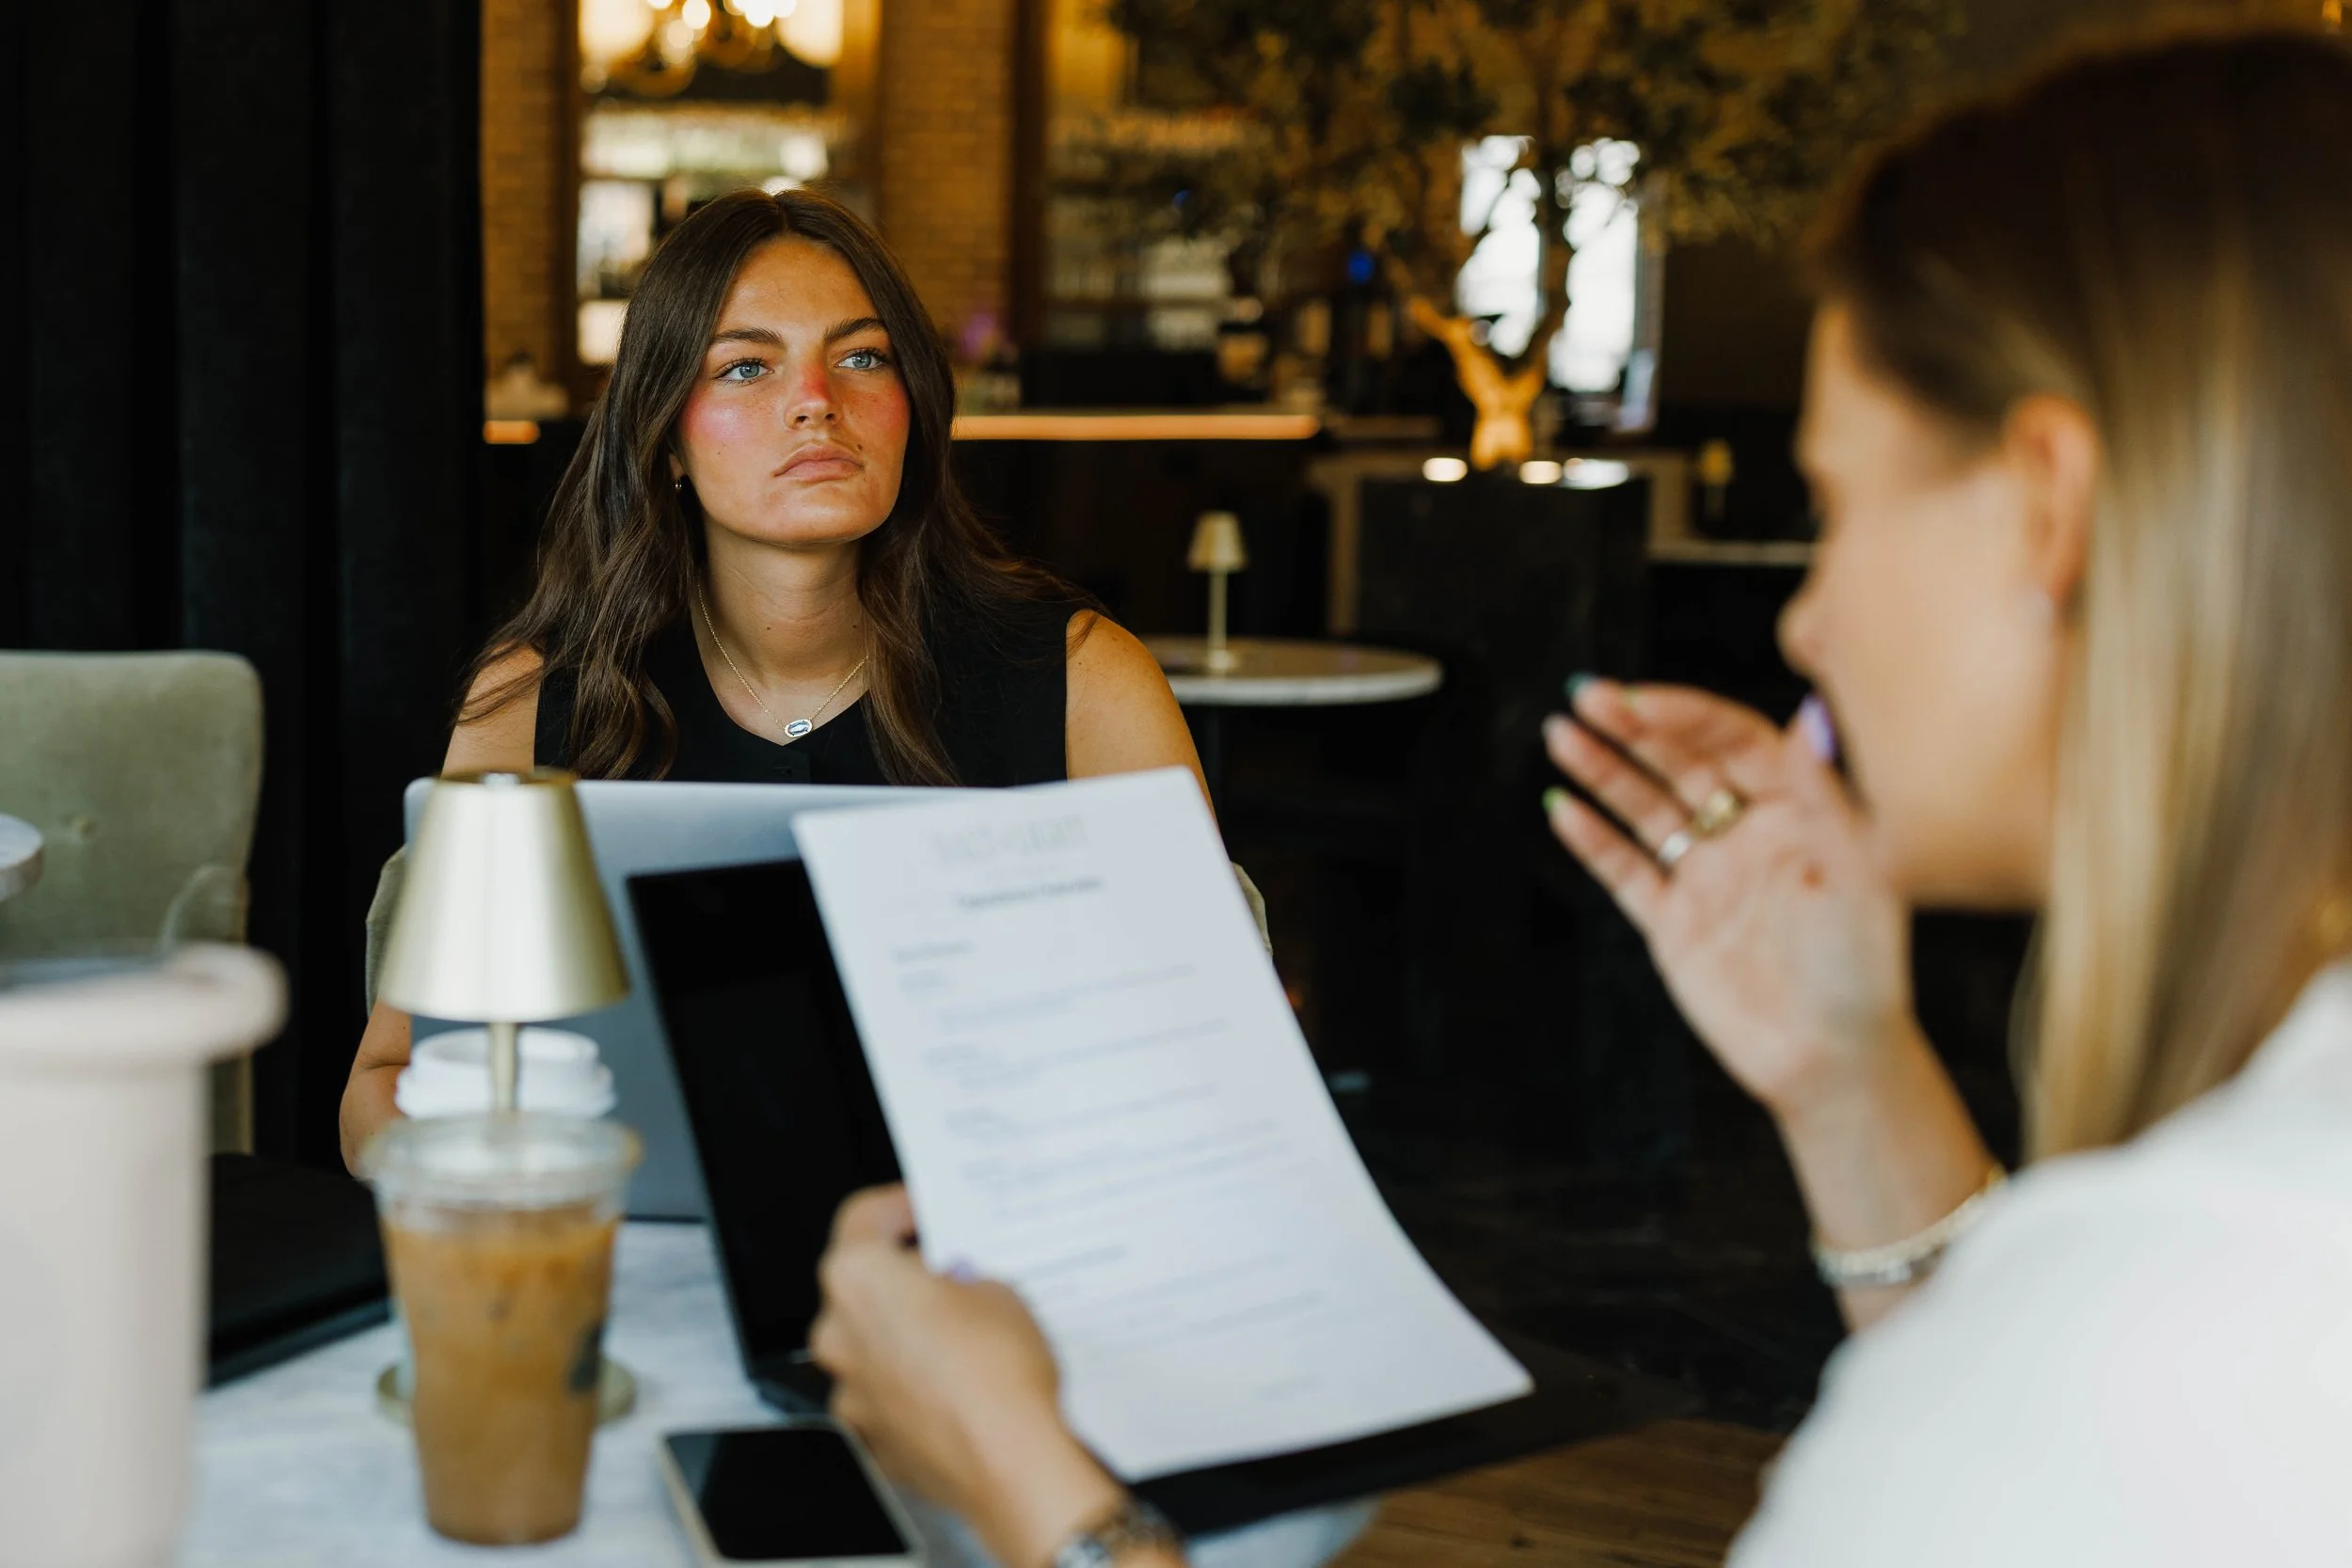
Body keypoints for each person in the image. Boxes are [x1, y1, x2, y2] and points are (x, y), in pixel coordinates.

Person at [805, 27, 2352, 1568]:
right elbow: (2043, 1461)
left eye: (1840, 503)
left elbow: (2100, 1391)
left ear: (2050, 510)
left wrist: (1030, 1486)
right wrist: (1846, 1071)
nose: (1806, 621)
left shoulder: (2218, 1286)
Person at [339, 189, 1203, 1169]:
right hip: (630, 1258)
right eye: (746, 365)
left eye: (861, 356)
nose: (815, 399)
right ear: (665, 434)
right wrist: (499, 1199)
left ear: (911, 407)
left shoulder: (1086, 684)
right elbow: (387, 1081)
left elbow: (1216, 1072)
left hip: (991, 1272)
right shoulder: (535, 699)